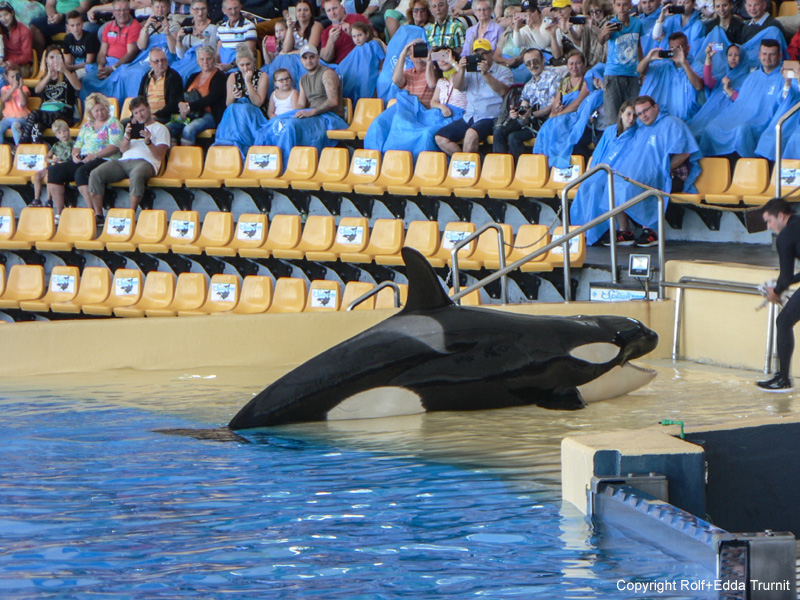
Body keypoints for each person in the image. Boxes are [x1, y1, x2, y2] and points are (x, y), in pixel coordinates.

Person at [570, 95, 700, 247]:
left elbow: (687, 152)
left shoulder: (672, 123)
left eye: (646, 110)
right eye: (640, 113)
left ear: (656, 107)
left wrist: (664, 168)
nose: (643, 115)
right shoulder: (642, 128)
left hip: (672, 174)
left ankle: (651, 230)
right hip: (645, 173)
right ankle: (625, 232)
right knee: (614, 184)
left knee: (638, 184)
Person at [253, 44, 347, 160]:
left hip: (330, 118)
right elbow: (300, 105)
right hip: (314, 116)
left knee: (292, 125)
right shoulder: (303, 79)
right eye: (305, 58)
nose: (309, 60)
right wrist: (288, 116)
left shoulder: (327, 74)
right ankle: (269, 161)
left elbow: (333, 101)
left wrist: (312, 112)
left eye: (312, 57)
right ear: (301, 60)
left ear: (318, 57)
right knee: (277, 124)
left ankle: (287, 163)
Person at [698, 39, 783, 158]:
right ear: (759, 55)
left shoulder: (784, 78)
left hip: (760, 124)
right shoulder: (752, 77)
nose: (767, 57)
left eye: (772, 54)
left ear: (780, 56)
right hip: (738, 116)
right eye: (764, 53)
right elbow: (740, 102)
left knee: (741, 130)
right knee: (711, 128)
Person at [45, 93, 123, 220]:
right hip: (85, 157)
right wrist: (75, 155)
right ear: (91, 111)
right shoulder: (86, 126)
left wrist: (95, 155)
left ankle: (93, 212)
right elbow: (78, 144)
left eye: (102, 109)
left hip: (105, 158)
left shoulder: (113, 123)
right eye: (96, 110)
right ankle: (60, 212)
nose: (100, 113)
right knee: (54, 171)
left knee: (82, 172)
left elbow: (115, 146)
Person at [570, 100, 638, 246]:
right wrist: (592, 173)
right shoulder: (609, 131)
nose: (631, 118)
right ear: (621, 114)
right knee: (587, 185)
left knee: (599, 188)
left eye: (635, 115)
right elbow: (598, 154)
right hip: (602, 170)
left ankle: (604, 231)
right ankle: (586, 230)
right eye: (628, 114)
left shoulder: (636, 134)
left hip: (620, 172)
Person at [88, 96, 169, 215]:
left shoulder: (161, 128)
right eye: (136, 113)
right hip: (124, 160)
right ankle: (98, 214)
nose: (140, 115)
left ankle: (131, 213)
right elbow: (122, 149)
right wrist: (127, 136)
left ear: (148, 108)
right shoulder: (131, 128)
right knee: (95, 174)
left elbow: (160, 155)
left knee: (136, 175)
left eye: (142, 110)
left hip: (146, 162)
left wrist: (148, 142)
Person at [434, 37, 512, 155]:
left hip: (491, 117)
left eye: (484, 53)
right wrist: (461, 69)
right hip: (469, 116)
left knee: (470, 134)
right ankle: (467, 164)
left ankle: (467, 168)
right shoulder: (470, 70)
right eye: (477, 54)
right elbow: (458, 86)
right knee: (440, 138)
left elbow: (503, 91)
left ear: (491, 53)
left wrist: (485, 74)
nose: (481, 57)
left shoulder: (503, 71)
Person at [757, 197, 800, 391]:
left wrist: (776, 290)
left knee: (783, 321)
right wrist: (780, 286)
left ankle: (783, 379)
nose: (768, 226)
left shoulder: (785, 236)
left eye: (769, 220)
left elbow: (785, 275)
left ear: (781, 216)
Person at [493, 46, 558, 158]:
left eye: (535, 61)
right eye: (528, 63)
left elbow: (553, 106)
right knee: (498, 132)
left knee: (513, 137)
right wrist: (516, 114)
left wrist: (532, 114)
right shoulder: (528, 85)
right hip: (529, 121)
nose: (532, 65)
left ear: (543, 60)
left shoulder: (553, 78)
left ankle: (520, 169)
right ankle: (502, 168)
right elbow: (524, 106)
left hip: (544, 123)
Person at [19, 45, 80, 144]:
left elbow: (78, 87)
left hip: (63, 113)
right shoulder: (45, 76)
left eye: (58, 57)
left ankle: (21, 143)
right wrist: (48, 76)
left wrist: (64, 70)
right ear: (46, 60)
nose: (54, 60)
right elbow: (37, 90)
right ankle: (38, 152)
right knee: (36, 127)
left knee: (34, 114)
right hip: (47, 112)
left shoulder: (69, 72)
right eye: (51, 57)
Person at [213, 43, 266, 155]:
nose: (245, 68)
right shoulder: (233, 76)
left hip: (254, 112)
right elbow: (228, 103)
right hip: (236, 113)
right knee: (232, 108)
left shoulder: (263, 76)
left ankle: (244, 146)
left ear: (254, 62)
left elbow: (258, 102)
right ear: (237, 64)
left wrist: (248, 82)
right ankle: (230, 144)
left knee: (245, 108)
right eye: (242, 65)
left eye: (248, 64)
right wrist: (233, 96)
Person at [637, 32, 703, 120]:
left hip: (689, 118)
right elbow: (640, 70)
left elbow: (698, 86)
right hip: (665, 118)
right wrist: (648, 58)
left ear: (688, 48)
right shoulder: (663, 65)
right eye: (672, 48)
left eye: (679, 47)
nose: (675, 51)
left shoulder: (696, 65)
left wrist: (684, 63)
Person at [168, 44, 225, 144]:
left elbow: (210, 98)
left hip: (209, 115)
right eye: (202, 59)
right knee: (168, 127)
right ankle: (172, 156)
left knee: (189, 129)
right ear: (198, 60)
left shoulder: (220, 76)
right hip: (190, 114)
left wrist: (190, 106)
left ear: (214, 59)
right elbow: (182, 94)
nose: (205, 62)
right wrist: (181, 104)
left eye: (209, 59)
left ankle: (188, 158)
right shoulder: (193, 76)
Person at [599, 0, 644, 127]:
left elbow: (638, 46)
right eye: (618, 4)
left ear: (630, 5)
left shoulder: (637, 23)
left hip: (632, 74)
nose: (622, 8)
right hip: (613, 74)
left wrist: (642, 69)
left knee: (633, 117)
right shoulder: (611, 23)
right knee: (613, 119)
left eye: (625, 4)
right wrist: (604, 31)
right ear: (614, 5)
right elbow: (601, 41)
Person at [31, 119, 73, 210]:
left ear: (69, 131)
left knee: (50, 176)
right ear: (56, 135)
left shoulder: (73, 144)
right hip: (55, 164)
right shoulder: (56, 145)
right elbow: (47, 157)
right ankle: (37, 200)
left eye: (65, 131)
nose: (63, 134)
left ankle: (49, 200)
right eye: (59, 132)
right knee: (37, 175)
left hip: (65, 165)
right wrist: (52, 160)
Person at [136, 47, 183, 125]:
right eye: (156, 61)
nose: (160, 63)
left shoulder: (173, 76)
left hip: (168, 116)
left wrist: (156, 115)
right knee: (126, 123)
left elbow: (173, 104)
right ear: (150, 63)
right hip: (147, 116)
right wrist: (135, 116)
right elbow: (140, 99)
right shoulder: (146, 77)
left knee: (160, 128)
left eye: (163, 60)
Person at [393, 38, 435, 107]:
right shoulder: (407, 72)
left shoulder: (433, 70)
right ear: (410, 56)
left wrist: (429, 61)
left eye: (422, 51)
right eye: (415, 52)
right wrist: (403, 54)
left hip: (426, 113)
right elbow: (396, 80)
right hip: (408, 110)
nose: (419, 54)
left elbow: (432, 84)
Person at [216, 0, 257, 71]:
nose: (233, 12)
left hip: (241, 68)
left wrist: (230, 65)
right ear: (224, 11)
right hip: (222, 69)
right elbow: (218, 53)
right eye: (230, 9)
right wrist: (216, 65)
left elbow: (250, 53)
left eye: (236, 8)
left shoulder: (249, 26)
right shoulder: (221, 28)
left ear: (241, 7)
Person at [62, 10, 98, 80]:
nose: (76, 28)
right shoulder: (67, 38)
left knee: (74, 77)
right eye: (72, 25)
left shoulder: (89, 38)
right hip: (75, 67)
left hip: (89, 68)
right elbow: (68, 61)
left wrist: (71, 68)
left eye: (78, 24)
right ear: (68, 26)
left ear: (82, 24)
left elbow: (89, 62)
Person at [0, 2, 33, 77]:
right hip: (4, 62)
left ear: (12, 13)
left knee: (5, 75)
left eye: (6, 15)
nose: (3, 19)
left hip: (21, 65)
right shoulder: (1, 29)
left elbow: (26, 56)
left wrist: (9, 62)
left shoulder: (24, 31)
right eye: (0, 16)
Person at [0, 63, 29, 145]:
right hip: (7, 118)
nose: (14, 79)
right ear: (7, 77)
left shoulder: (24, 88)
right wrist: (13, 88)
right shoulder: (5, 89)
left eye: (17, 76)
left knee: (15, 126)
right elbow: (4, 99)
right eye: (12, 77)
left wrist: (19, 88)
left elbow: (24, 102)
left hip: (21, 117)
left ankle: (19, 147)